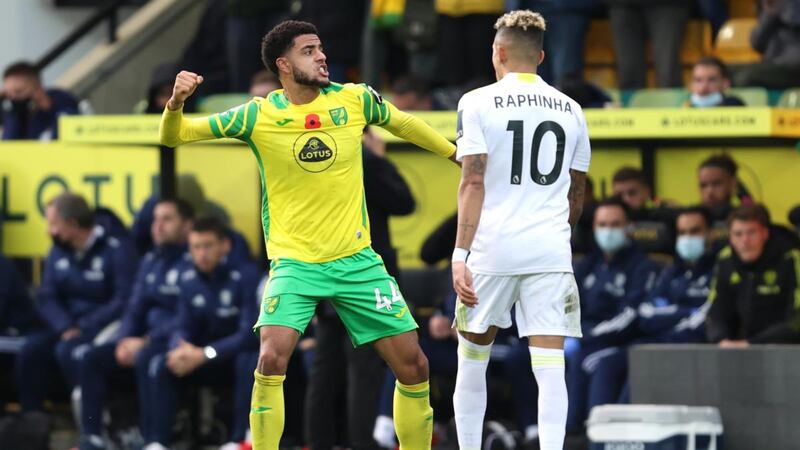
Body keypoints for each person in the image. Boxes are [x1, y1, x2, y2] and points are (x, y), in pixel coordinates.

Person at [159, 19, 458, 450]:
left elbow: (404, 124)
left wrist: (454, 154)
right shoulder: (257, 114)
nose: (321, 56)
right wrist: (176, 103)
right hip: (296, 264)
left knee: (413, 365)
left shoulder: (354, 99)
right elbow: (175, 137)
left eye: (321, 48)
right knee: (270, 358)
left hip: (357, 261)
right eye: (308, 50)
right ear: (283, 64)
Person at [450, 10, 590, 450]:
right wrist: (550, 232)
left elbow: (472, 180)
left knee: (471, 362)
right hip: (548, 250)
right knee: (550, 368)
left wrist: (460, 255)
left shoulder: (475, 101)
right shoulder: (572, 109)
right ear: (542, 56)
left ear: (499, 52)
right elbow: (576, 194)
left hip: (492, 249)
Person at [304, 129, 416, 450]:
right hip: (364, 277)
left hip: (324, 271)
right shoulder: (365, 161)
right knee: (364, 368)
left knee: (325, 369)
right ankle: (360, 444)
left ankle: (319, 443)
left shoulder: (318, 159)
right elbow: (404, 202)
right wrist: (378, 160)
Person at [76, 198, 193, 450]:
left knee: (147, 358)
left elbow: (189, 316)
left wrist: (146, 341)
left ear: (187, 226)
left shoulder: (194, 260)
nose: (158, 226)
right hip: (140, 340)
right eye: (155, 220)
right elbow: (134, 307)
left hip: (174, 341)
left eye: (167, 219)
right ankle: (92, 437)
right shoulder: (151, 260)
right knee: (92, 358)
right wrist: (123, 340)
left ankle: (154, 440)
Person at [141, 217, 260, 450]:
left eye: (208, 246)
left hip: (231, 356)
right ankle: (157, 442)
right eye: (196, 247)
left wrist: (206, 353)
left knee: (249, 361)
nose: (202, 253)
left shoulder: (246, 276)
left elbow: (248, 334)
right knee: (159, 363)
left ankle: (240, 439)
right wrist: (181, 347)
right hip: (200, 357)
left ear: (225, 246)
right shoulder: (188, 280)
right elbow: (182, 325)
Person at [16, 193, 136, 415]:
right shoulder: (57, 250)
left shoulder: (117, 248)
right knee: (31, 350)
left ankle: (92, 422)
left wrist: (85, 326)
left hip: (103, 327)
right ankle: (31, 423)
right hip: (66, 326)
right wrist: (65, 325)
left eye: (53, 224)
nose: (49, 231)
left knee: (70, 352)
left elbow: (124, 299)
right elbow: (47, 296)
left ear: (72, 224)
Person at [566, 198, 659, 433]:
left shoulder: (642, 266)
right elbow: (566, 303)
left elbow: (631, 315)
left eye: (615, 224)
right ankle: (540, 432)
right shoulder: (588, 263)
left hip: (621, 341)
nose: (608, 231)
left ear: (629, 228)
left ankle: (585, 433)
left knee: (586, 361)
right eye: (603, 224)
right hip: (583, 337)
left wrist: (584, 335)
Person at [706, 204, 800, 346]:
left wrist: (752, 343)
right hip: (738, 349)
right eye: (738, 234)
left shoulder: (791, 258)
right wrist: (721, 339)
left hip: (785, 350)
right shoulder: (725, 259)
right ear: (730, 236)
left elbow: (796, 319)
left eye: (751, 232)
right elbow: (716, 312)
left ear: (765, 233)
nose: (745, 241)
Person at [603, 0, 691, 89]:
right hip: (621, 5)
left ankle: (672, 102)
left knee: (668, 76)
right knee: (629, 76)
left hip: (669, 4)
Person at [1, 61, 80, 140]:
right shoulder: (15, 114)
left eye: (18, 91)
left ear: (38, 88)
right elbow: (8, 144)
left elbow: (69, 130)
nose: (13, 98)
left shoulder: (61, 101)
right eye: (8, 93)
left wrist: (49, 109)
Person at [735, 0, 800, 89]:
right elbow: (757, 44)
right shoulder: (770, 7)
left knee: (745, 77)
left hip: (793, 67)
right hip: (771, 64)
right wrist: (770, 14)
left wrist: (785, 9)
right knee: (726, 71)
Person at [697, 154, 751, 225]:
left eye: (717, 183)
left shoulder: (747, 220)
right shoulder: (689, 219)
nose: (710, 191)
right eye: (703, 185)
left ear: (732, 184)